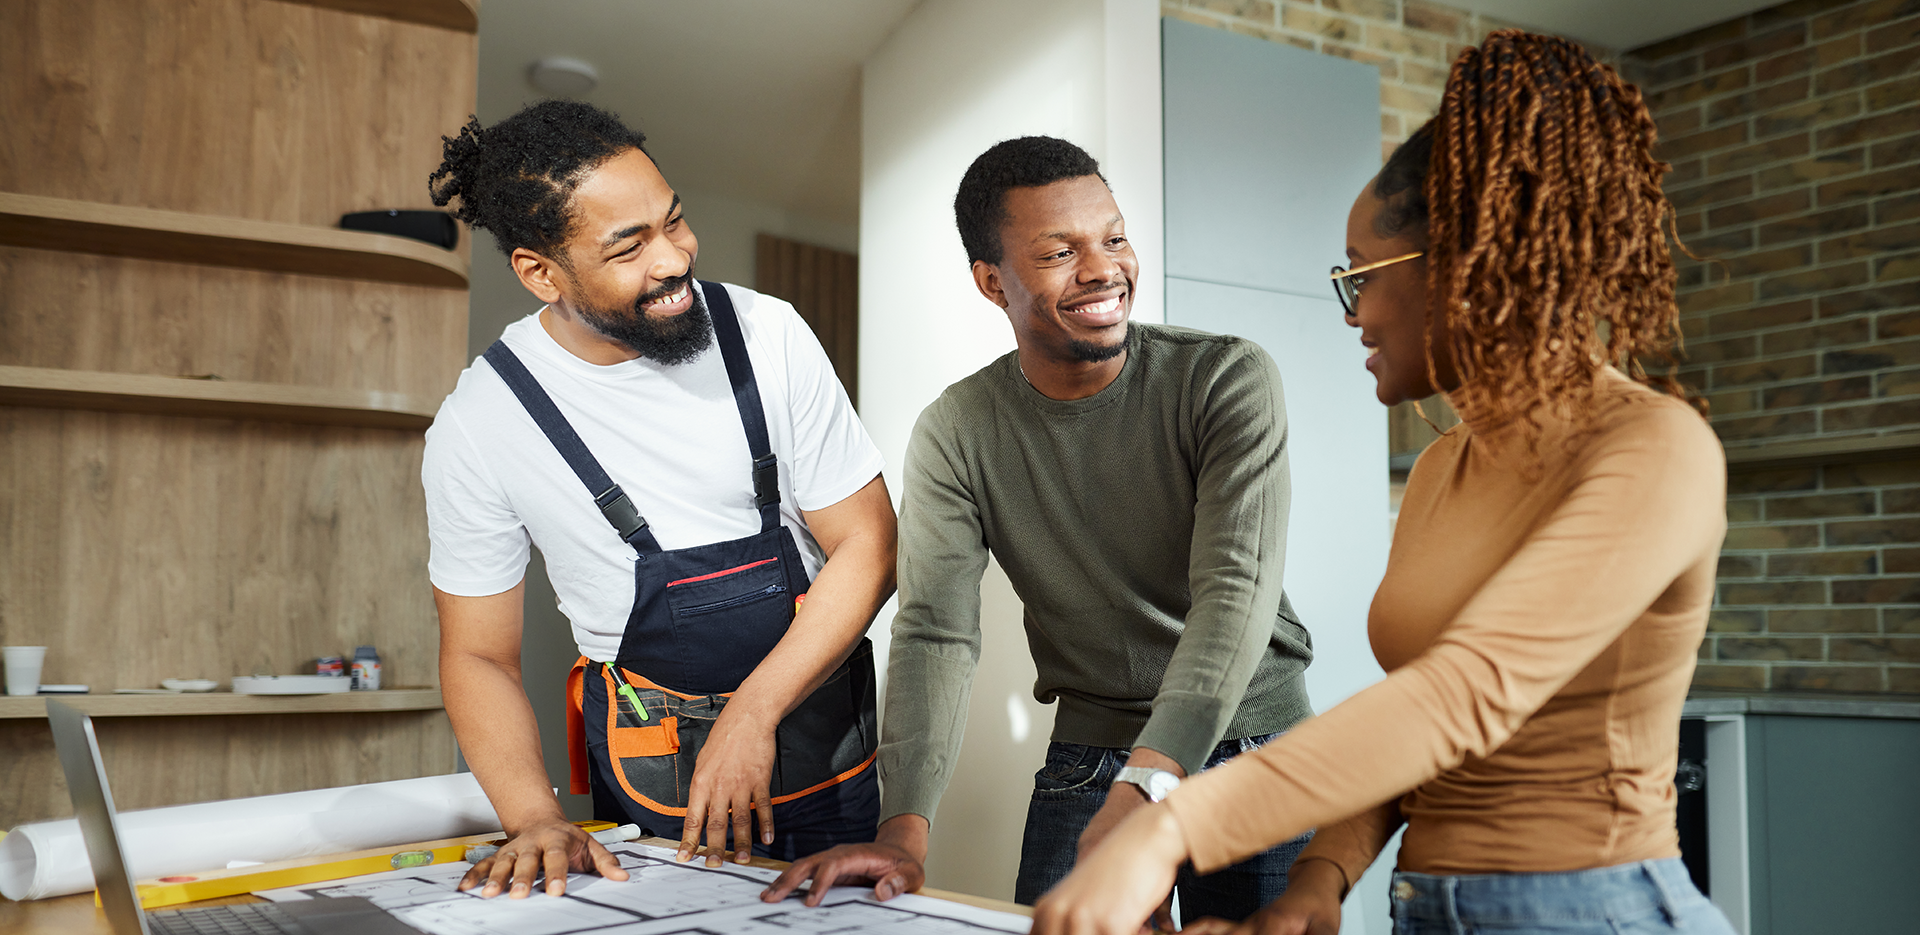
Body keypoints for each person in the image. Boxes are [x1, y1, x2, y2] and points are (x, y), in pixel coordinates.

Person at [1029, 30, 1737, 935]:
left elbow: (1464, 694)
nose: (1355, 310)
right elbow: (1416, 722)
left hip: (1593, 909)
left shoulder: (1654, 447)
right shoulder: (1446, 464)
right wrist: (1319, 880)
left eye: (1364, 274)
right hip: (1424, 908)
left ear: (1473, 263)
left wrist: (1169, 829)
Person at [763, 136, 1316, 921]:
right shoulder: (958, 428)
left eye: (1114, 237)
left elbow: (1235, 593)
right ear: (992, 282)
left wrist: (1149, 785)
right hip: (1092, 750)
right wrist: (903, 830)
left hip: (1253, 738)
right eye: (1060, 251)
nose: (1103, 269)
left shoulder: (1224, 377)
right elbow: (934, 632)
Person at [420, 100, 897, 899]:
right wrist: (534, 815)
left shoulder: (767, 333)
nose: (675, 259)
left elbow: (869, 546)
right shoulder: (483, 422)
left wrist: (752, 715)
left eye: (674, 221)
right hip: (654, 766)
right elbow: (478, 653)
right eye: (629, 246)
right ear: (541, 272)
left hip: (819, 734)